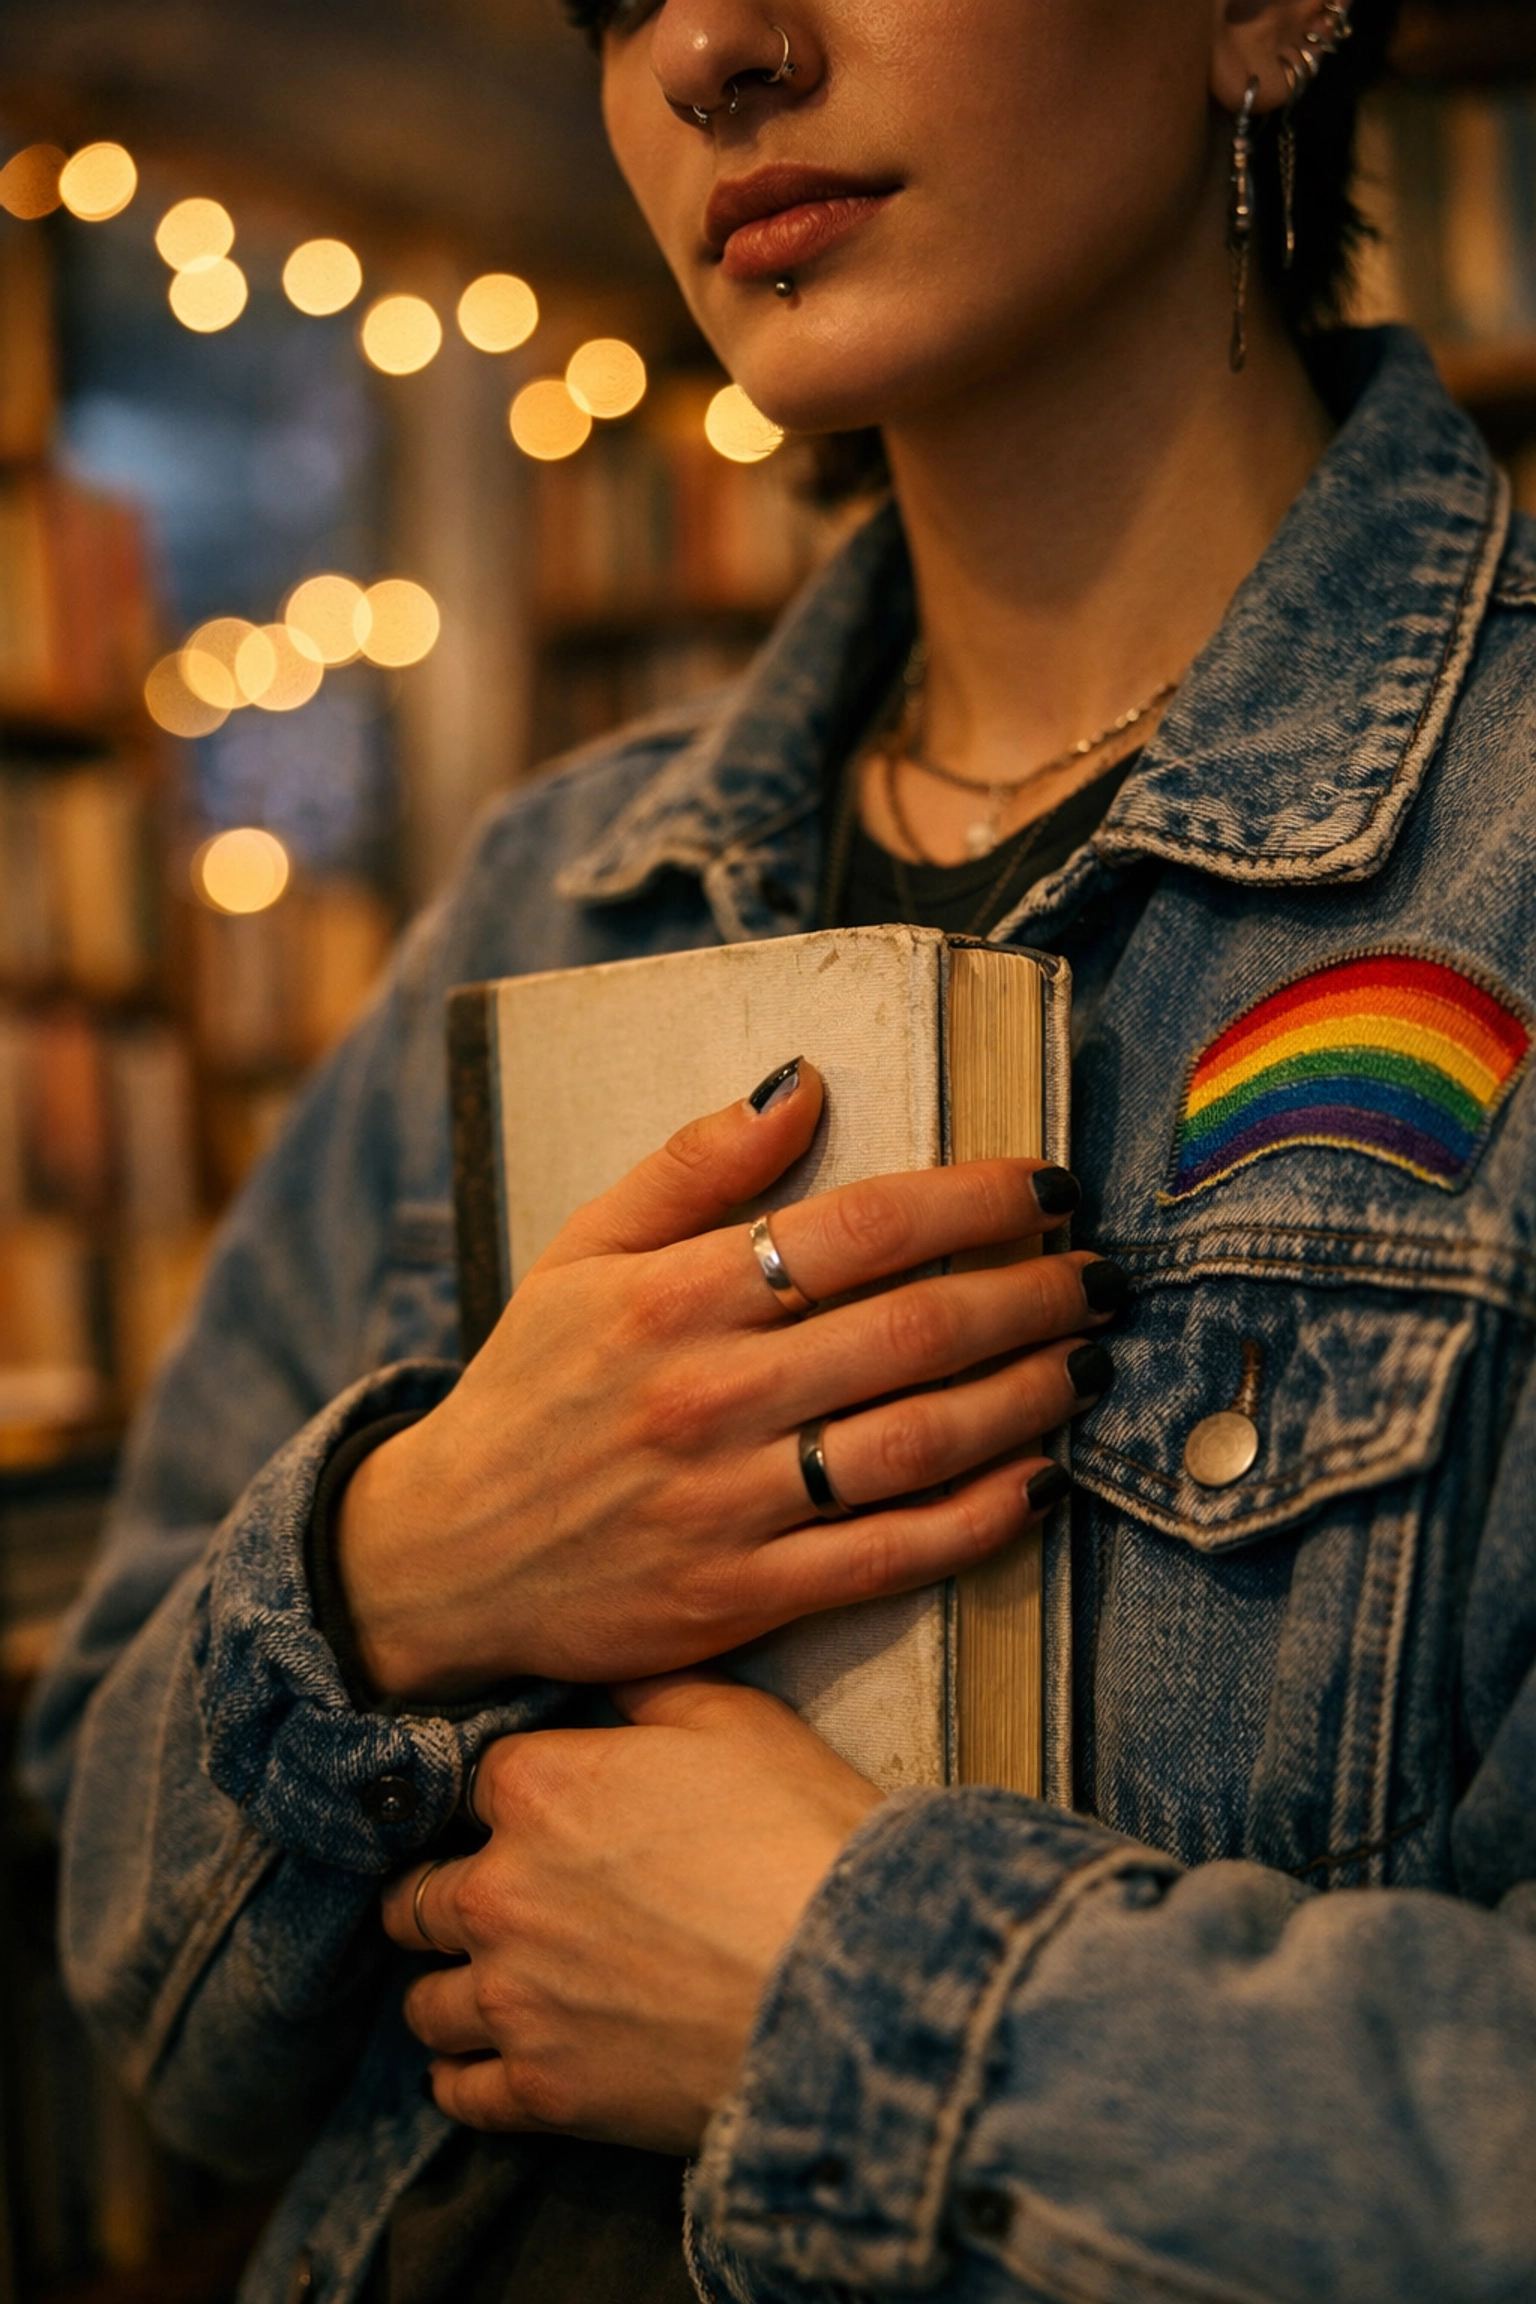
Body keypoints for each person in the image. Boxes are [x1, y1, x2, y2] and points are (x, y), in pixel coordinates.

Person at [25, 0, 1536, 2297]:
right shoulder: (551, 889)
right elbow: (148, 2001)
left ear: (1261, 15)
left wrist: (853, 1994)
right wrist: (400, 1568)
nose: (713, 48)